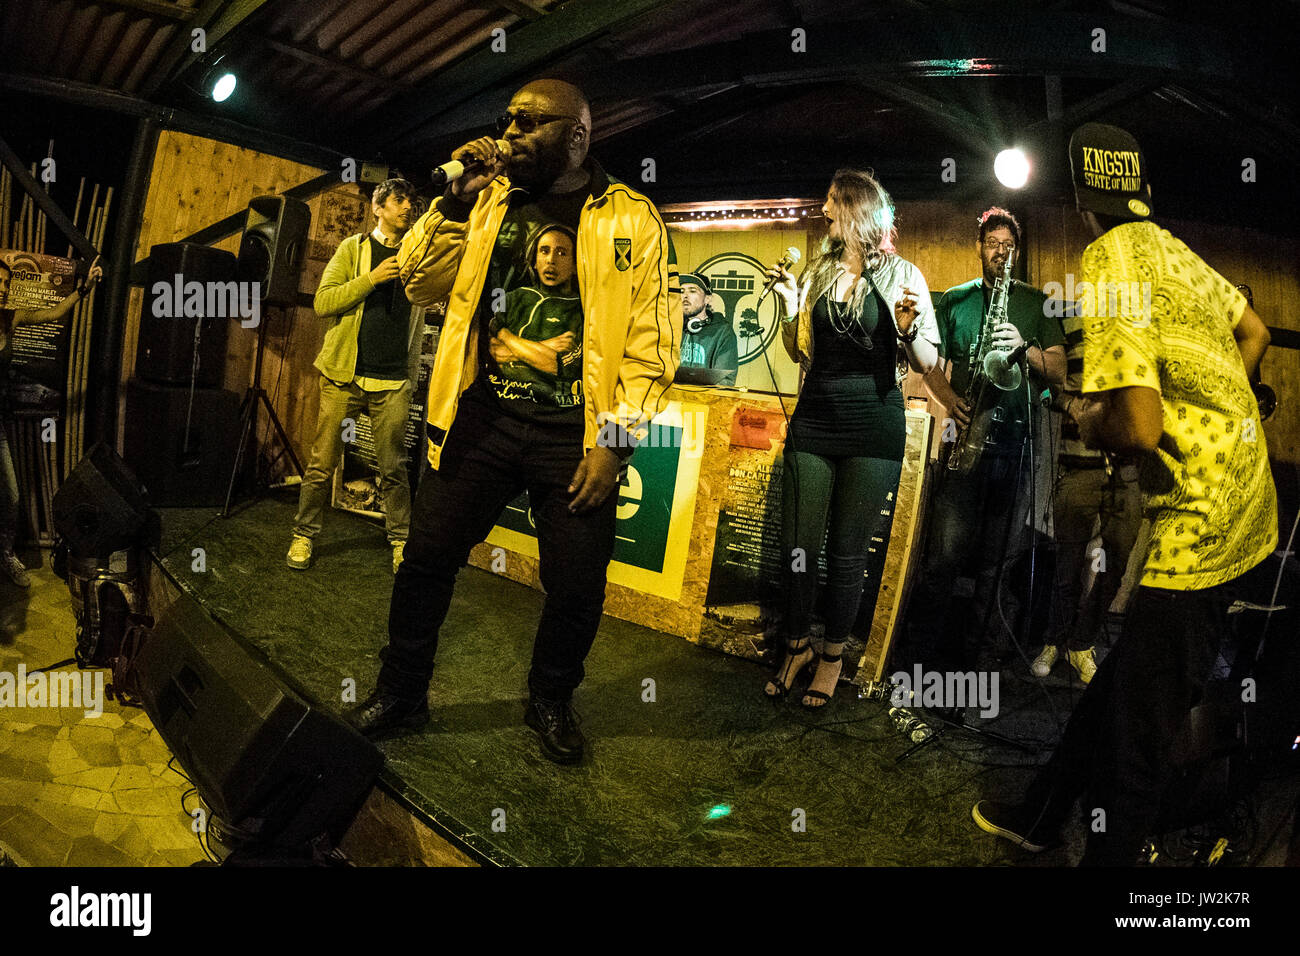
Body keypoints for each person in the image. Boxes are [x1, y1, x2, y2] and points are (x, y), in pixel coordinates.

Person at [347, 79, 678, 764]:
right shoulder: (489, 199)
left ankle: (550, 698)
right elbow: (417, 283)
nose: (511, 132)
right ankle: (402, 689)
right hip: (480, 420)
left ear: (578, 136)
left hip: (575, 439)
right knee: (427, 559)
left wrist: (615, 446)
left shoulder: (633, 218)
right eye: (509, 120)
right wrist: (450, 203)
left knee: (579, 585)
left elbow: (650, 347)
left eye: (530, 123)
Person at [972, 122, 1277, 865]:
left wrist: (1086, 415)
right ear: (1139, 190)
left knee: (1137, 751)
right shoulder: (1176, 249)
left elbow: (1136, 426)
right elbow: (1258, 335)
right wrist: (1213, 413)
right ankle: (1043, 814)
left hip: (1197, 533)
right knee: (1121, 686)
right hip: (1249, 505)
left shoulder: (1107, 257)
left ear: (1083, 203)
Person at [762, 169, 939, 707]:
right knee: (798, 545)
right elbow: (799, 354)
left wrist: (907, 330)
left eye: (833, 202)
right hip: (815, 418)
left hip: (873, 423)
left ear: (859, 210)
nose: (824, 212)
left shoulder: (906, 274)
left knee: (845, 554)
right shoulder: (817, 270)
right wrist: (793, 306)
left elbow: (927, 363)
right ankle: (795, 646)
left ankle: (833, 656)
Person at [907, 207, 1066, 678]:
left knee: (998, 570)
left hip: (1015, 450)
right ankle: (922, 664)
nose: (1000, 252)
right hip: (964, 445)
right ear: (979, 247)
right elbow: (928, 364)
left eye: (1008, 246)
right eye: (992, 243)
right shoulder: (956, 300)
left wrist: (1023, 346)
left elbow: (1058, 371)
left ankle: (981, 669)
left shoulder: (1036, 303)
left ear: (1016, 252)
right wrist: (950, 398)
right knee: (942, 561)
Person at [286, 179, 425, 574]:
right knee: (321, 462)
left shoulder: (416, 256)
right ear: (378, 208)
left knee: (394, 468)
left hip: (393, 381)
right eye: (398, 200)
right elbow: (323, 302)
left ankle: (401, 542)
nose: (406, 207)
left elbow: (419, 318)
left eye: (410, 202)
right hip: (344, 377)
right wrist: (371, 278)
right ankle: (304, 535)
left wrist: (411, 377)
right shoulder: (354, 249)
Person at [1031, 301, 1142, 684]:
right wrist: (1068, 403)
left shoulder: (1135, 322)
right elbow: (1046, 390)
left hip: (1125, 472)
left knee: (1116, 567)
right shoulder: (1067, 317)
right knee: (1066, 568)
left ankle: (1081, 643)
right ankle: (1053, 641)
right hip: (1076, 467)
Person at [0, 255, 103, 586]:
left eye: (7, 283)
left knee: (11, 495)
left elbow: (53, 313)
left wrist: (83, 290)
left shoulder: (9, 319)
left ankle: (5, 554)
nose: (4, 288)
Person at [677, 271, 738, 385]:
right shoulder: (671, 327)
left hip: (704, 400)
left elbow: (725, 380)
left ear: (707, 299)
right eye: (681, 291)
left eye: (692, 291)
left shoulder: (723, 332)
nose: (685, 296)